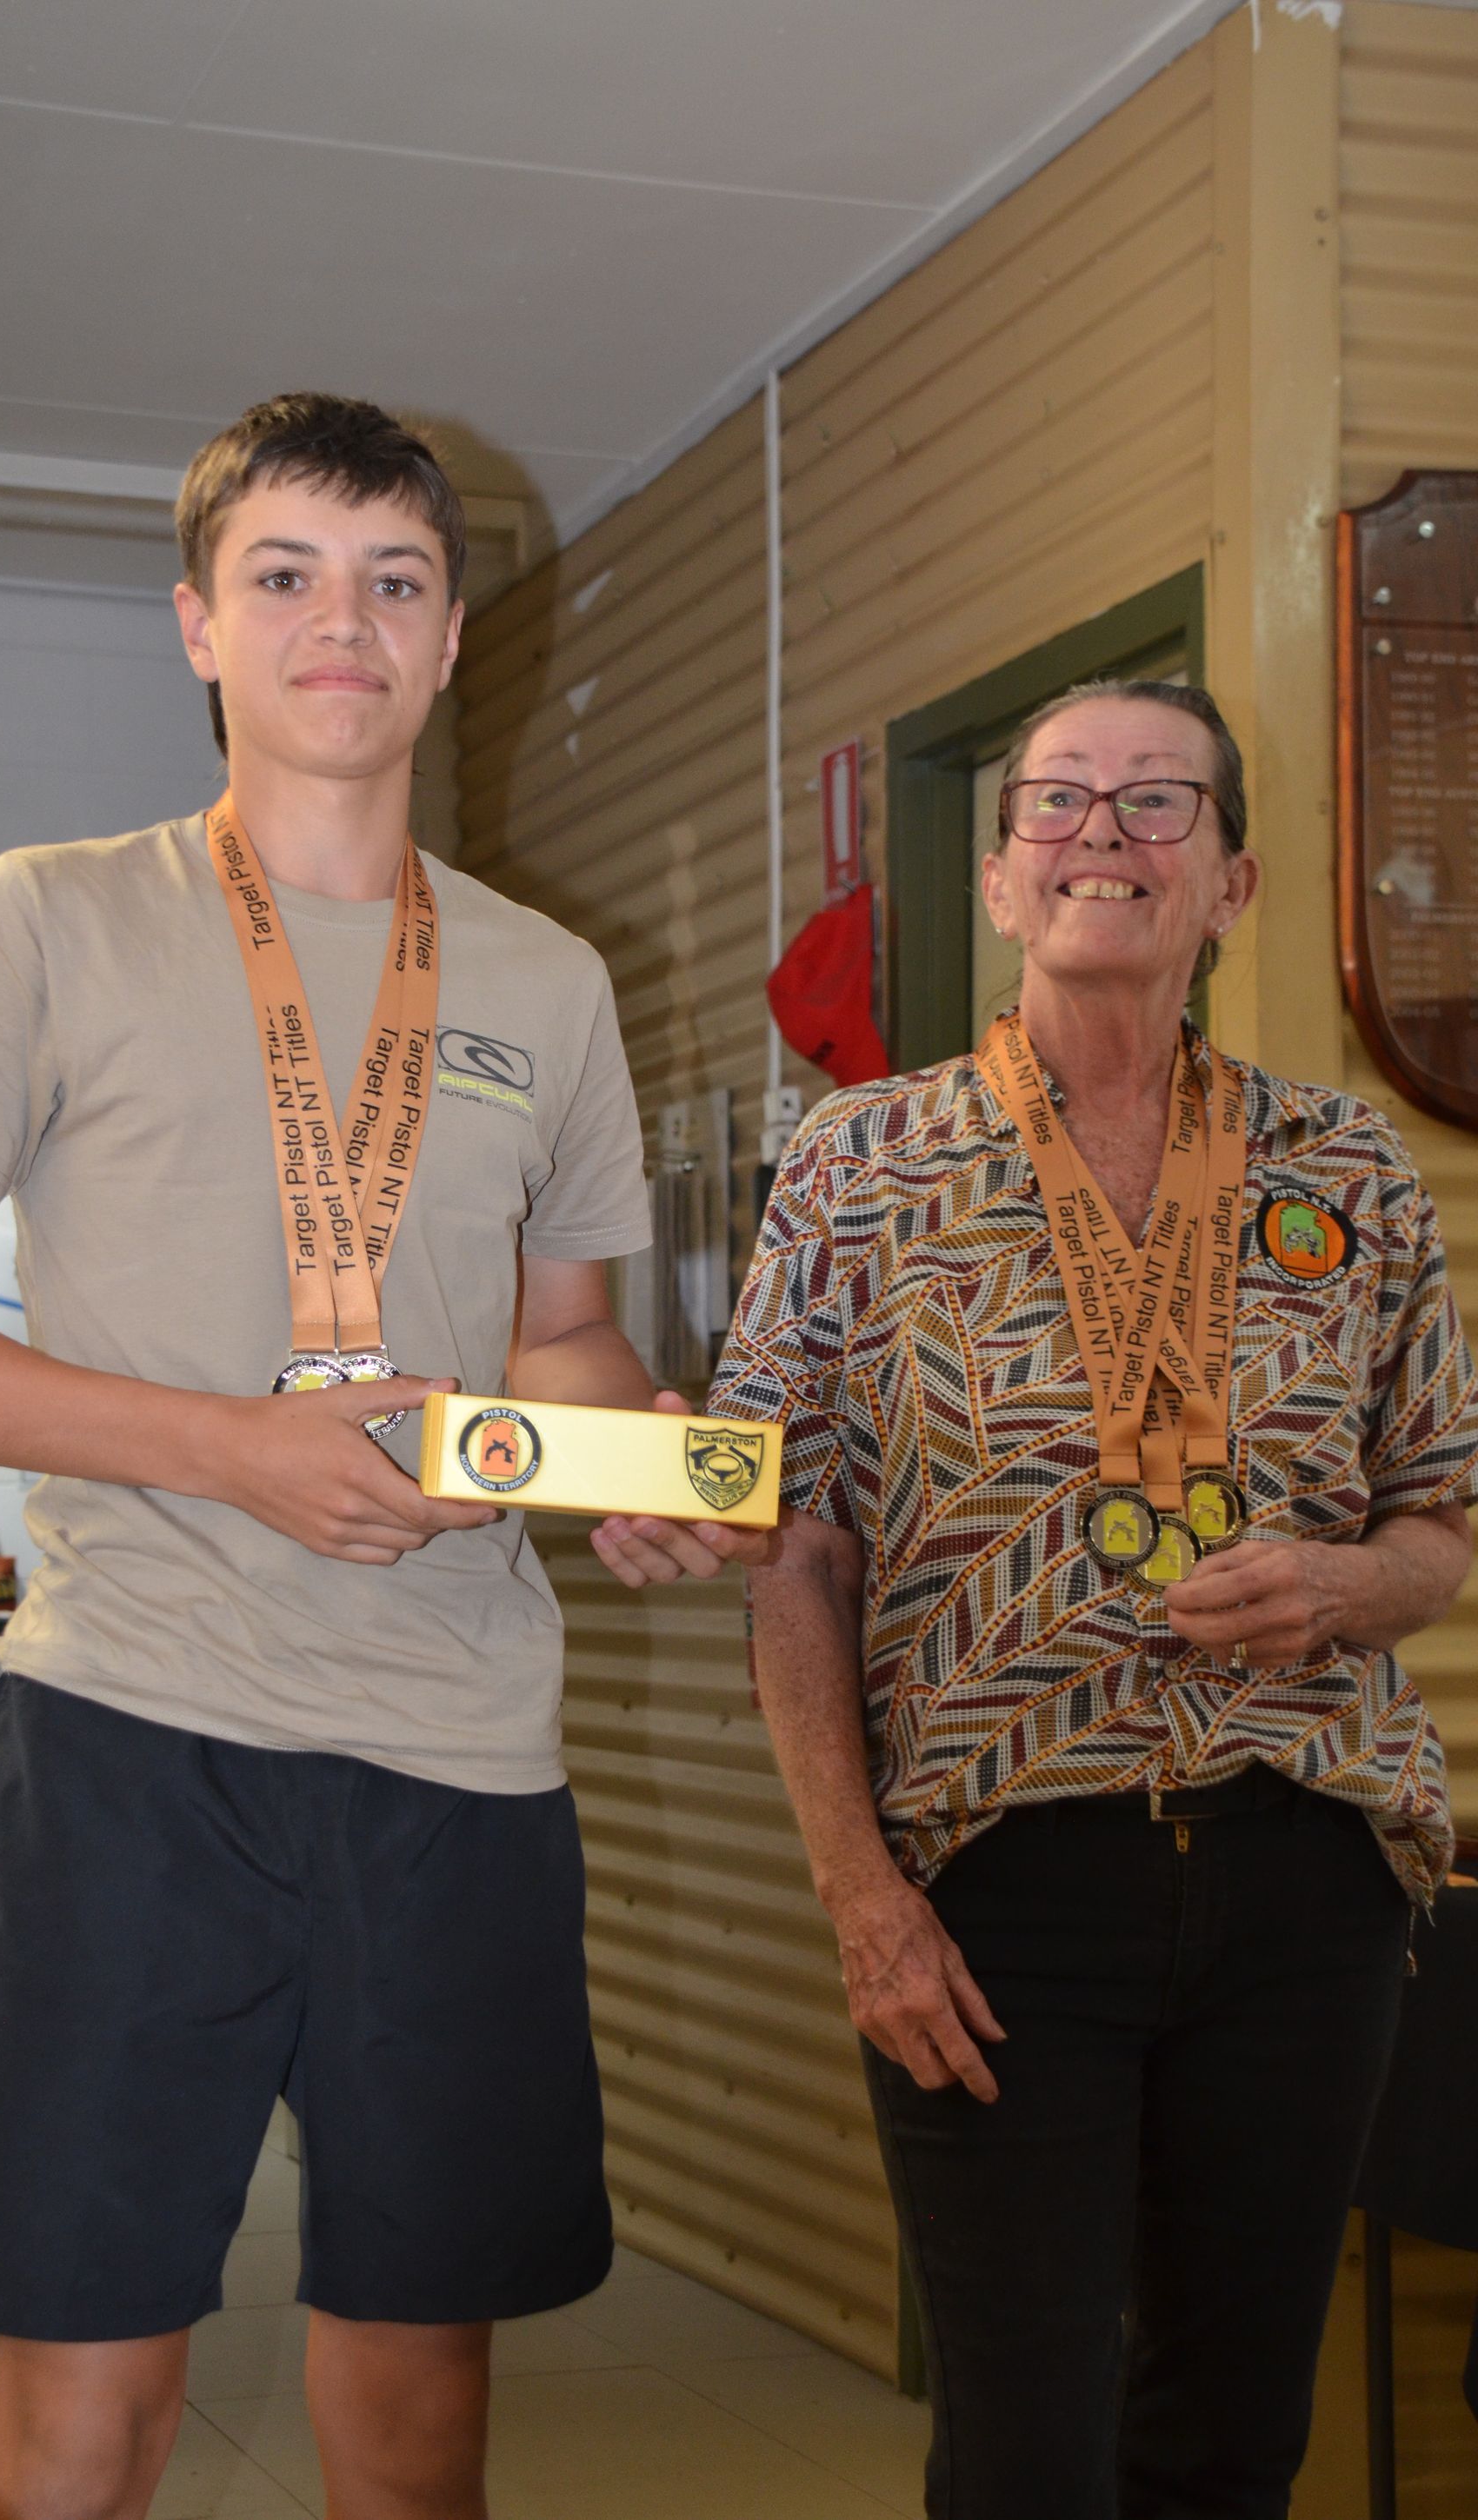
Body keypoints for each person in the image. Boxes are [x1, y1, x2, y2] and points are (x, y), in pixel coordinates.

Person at [0, 392, 763, 2520]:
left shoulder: (548, 979)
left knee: (417, 2433)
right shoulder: (52, 918)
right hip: (133, 1737)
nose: (347, 620)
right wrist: (236, 1452)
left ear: (444, 648)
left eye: (397, 581)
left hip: (461, 1763)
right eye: (288, 574)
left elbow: (573, 1339)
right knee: (82, 2427)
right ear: (198, 627)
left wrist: (649, 1476)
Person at [709, 678, 1478, 2519]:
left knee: (1231, 2435)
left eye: (1158, 805)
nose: (1105, 840)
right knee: (1028, 2450)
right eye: (1059, 804)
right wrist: (859, 1898)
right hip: (993, 1893)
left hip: (1305, 1876)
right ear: (997, 880)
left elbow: (1442, 1521)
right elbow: (786, 1545)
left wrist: (1345, 1584)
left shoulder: (1348, 1168)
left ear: (1233, 880)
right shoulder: (855, 1164)